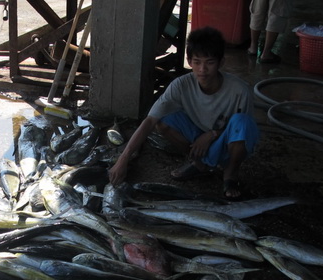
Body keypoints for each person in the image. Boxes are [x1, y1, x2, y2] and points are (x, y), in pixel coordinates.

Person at [107, 26, 259, 201]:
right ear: (189, 61)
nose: (202, 69)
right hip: (197, 136)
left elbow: (243, 129)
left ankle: (230, 174)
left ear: (221, 62)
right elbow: (150, 121)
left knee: (242, 122)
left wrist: (211, 135)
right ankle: (198, 163)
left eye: (209, 62)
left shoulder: (240, 90)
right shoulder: (181, 84)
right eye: (196, 62)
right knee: (162, 119)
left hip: (225, 142)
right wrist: (123, 159)